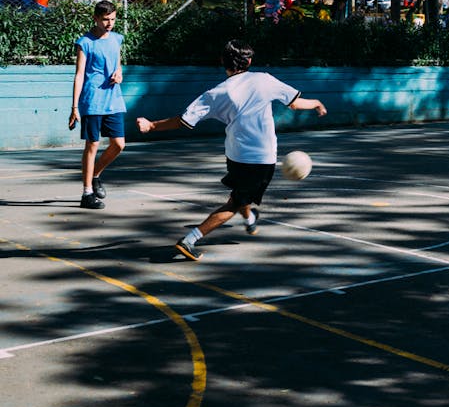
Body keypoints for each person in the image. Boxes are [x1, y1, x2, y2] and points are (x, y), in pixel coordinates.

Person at [136, 39, 327, 260]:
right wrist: (316, 103)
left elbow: (184, 121)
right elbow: (294, 103)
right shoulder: (263, 80)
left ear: (222, 62)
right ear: (249, 61)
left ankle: (250, 219)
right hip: (260, 159)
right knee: (235, 203)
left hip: (234, 156)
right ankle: (190, 240)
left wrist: (151, 125)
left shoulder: (217, 92)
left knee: (241, 193)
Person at [69, 0, 126, 209]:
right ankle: (86, 194)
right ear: (95, 18)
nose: (109, 23)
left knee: (119, 144)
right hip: (92, 100)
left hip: (114, 99)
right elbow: (79, 75)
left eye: (112, 19)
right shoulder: (85, 42)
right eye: (105, 19)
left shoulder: (117, 39)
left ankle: (95, 175)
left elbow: (117, 64)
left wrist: (119, 74)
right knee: (92, 145)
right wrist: (74, 107)